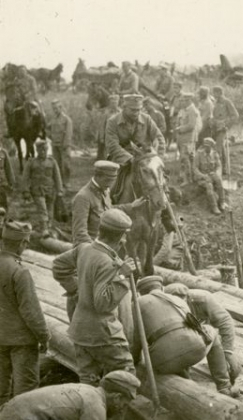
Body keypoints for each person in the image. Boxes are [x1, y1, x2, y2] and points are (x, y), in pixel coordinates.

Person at [54, 209, 137, 385]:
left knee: (87, 381)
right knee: (126, 376)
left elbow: (59, 265)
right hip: (103, 334)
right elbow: (102, 303)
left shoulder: (84, 249)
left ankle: (91, 411)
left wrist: (77, 290)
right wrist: (121, 276)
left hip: (80, 330)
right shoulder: (108, 263)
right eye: (124, 236)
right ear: (121, 237)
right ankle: (114, 412)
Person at [133, 276, 235, 396]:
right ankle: (224, 386)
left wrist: (134, 364)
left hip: (160, 361)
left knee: (170, 344)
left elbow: (135, 342)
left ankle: (187, 382)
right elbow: (192, 331)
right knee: (207, 332)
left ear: (140, 292)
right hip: (193, 349)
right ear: (161, 287)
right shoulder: (178, 300)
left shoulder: (136, 303)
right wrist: (227, 352)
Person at [0, 221, 49, 406]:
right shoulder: (20, 272)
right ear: (22, 244)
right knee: (26, 396)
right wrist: (44, 337)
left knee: (1, 391)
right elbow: (31, 312)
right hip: (22, 342)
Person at [164, 283, 241, 385]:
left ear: (187, 297)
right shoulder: (163, 305)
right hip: (182, 334)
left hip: (207, 331)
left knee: (232, 366)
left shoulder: (203, 299)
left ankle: (226, 383)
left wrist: (227, 350)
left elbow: (225, 322)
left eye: (182, 300)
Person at [0, 370, 140, 420]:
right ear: (116, 397)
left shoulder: (88, 391)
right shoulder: (96, 406)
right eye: (124, 404)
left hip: (11, 411)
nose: (122, 409)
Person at [69, 161, 144, 247]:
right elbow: (80, 234)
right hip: (89, 250)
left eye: (113, 181)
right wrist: (95, 251)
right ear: (97, 176)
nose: (109, 184)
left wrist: (131, 206)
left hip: (105, 246)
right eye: (107, 180)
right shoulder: (83, 197)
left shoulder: (104, 190)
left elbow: (109, 210)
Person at [104, 93, 166, 166]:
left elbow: (159, 138)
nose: (136, 113)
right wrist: (129, 159)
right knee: (109, 176)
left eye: (138, 110)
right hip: (121, 161)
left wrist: (158, 156)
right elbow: (112, 145)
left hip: (145, 159)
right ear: (124, 107)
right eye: (133, 110)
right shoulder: (112, 122)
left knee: (161, 176)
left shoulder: (147, 119)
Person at [22, 139, 63, 238]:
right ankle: (44, 228)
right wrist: (25, 191)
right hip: (37, 190)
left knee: (50, 209)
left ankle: (49, 227)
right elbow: (25, 178)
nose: (43, 152)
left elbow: (57, 177)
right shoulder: (31, 162)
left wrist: (59, 190)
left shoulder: (52, 162)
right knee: (42, 208)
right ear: (37, 150)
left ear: (47, 149)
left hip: (50, 190)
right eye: (41, 150)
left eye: (45, 149)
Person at [174, 93, 202, 185]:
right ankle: (187, 177)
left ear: (189, 100)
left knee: (186, 158)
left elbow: (191, 125)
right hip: (181, 138)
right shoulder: (183, 110)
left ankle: (188, 179)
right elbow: (178, 122)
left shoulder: (192, 110)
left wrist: (180, 129)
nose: (182, 102)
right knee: (185, 159)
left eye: (184, 100)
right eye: (181, 100)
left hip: (188, 138)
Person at [193, 137, 225, 215]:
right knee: (209, 185)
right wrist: (203, 176)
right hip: (202, 177)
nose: (206, 148)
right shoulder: (198, 154)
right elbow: (195, 169)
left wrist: (216, 173)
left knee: (219, 181)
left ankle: (222, 202)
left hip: (212, 174)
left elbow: (219, 166)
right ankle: (214, 207)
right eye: (205, 146)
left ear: (212, 147)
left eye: (208, 146)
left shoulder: (215, 154)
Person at [211, 86, 239, 173]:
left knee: (218, 147)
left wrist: (227, 125)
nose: (214, 95)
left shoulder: (227, 102)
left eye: (215, 93)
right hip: (214, 127)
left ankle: (219, 169)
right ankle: (223, 168)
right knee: (221, 148)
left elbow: (235, 115)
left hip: (222, 128)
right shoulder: (214, 102)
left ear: (220, 93)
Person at [48, 99, 73, 188]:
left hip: (64, 145)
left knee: (66, 165)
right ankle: (59, 182)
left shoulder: (67, 119)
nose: (55, 110)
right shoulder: (53, 119)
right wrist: (50, 136)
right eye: (53, 109)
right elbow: (48, 128)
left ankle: (66, 181)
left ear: (61, 108)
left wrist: (65, 145)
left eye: (56, 108)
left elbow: (69, 134)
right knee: (57, 164)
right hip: (55, 145)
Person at [0, 142, 16, 210]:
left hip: (1, 182)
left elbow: (8, 168)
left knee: (2, 204)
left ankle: (2, 219)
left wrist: (11, 182)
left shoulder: (3, 153)